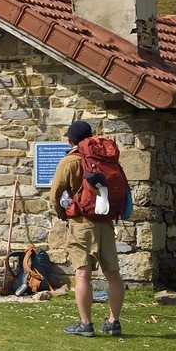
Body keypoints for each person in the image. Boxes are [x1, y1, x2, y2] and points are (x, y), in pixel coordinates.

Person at [51, 119, 125, 337]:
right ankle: (114, 322)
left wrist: (64, 214)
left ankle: (85, 324)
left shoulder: (70, 162)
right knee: (113, 274)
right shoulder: (104, 159)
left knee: (82, 274)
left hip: (82, 223)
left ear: (70, 139)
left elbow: (55, 194)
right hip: (106, 220)